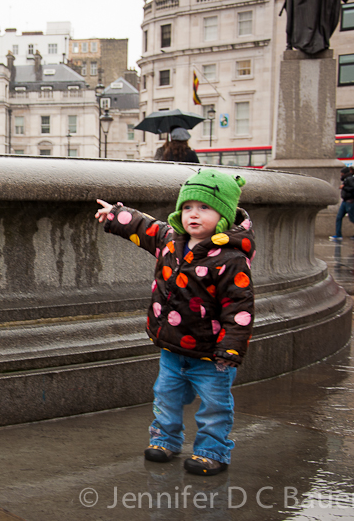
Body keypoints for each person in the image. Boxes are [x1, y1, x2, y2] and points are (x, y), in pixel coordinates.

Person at [94, 168, 255, 476]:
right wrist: (116, 215)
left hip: (212, 353)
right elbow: (146, 227)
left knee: (214, 405)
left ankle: (211, 450)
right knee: (165, 396)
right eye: (188, 207)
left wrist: (231, 349)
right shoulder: (173, 240)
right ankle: (165, 440)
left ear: (223, 214)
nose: (193, 215)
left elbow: (240, 309)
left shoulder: (232, 259)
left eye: (204, 207)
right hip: (172, 344)